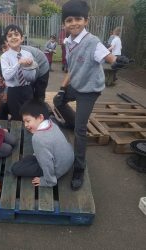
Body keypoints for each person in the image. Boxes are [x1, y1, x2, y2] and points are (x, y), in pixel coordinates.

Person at [53, 0, 129, 191]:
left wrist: (117, 62)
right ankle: (71, 121)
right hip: (76, 85)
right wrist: (62, 89)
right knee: (57, 101)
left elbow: (109, 58)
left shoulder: (93, 42)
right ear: (64, 24)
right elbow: (72, 69)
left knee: (80, 130)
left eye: (78, 19)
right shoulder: (68, 42)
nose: (74, 23)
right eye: (69, 20)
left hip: (90, 91)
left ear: (86, 21)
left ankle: (79, 168)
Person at [11, 99, 74, 187]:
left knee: (15, 168)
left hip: (57, 169)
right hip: (68, 159)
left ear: (40, 117)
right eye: (24, 122)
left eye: (28, 121)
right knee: (30, 157)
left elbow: (47, 163)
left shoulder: (38, 138)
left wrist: (47, 181)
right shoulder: (52, 122)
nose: (25, 125)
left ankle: (49, 179)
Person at [0, 25, 37, 120]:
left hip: (27, 89)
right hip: (13, 92)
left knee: (29, 115)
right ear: (6, 40)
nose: (13, 37)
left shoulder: (28, 54)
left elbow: (32, 78)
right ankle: (17, 135)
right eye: (9, 35)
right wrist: (18, 63)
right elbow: (7, 76)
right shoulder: (5, 57)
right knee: (17, 117)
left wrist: (29, 66)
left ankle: (28, 134)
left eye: (16, 34)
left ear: (22, 38)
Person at [0, 36, 49, 101]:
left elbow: (33, 70)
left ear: (9, 43)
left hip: (42, 67)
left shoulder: (24, 52)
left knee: (39, 92)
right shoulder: (7, 55)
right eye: (1, 49)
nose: (3, 50)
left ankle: (39, 106)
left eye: (5, 47)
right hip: (32, 69)